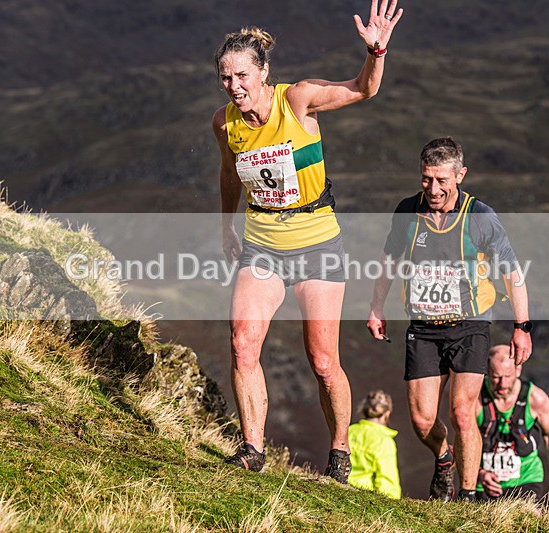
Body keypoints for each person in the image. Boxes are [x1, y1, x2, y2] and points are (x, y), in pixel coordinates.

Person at [212, 0, 404, 483]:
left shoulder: (297, 100)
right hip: (262, 246)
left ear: (263, 73)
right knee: (242, 344)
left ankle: (339, 451)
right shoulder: (224, 123)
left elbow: (364, 89)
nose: (234, 86)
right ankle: (253, 448)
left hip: (317, 246)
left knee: (322, 361)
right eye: (226, 78)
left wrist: (376, 52)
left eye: (242, 75)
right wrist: (227, 226)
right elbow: (230, 175)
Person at [366, 137, 533, 501]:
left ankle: (467, 497)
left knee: (462, 413)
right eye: (426, 179)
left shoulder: (480, 217)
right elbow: (389, 259)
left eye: (442, 180)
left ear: (460, 175)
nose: (433, 189)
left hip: (470, 325)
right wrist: (377, 307)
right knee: (422, 420)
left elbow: (512, 272)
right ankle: (444, 460)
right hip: (424, 328)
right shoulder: (408, 211)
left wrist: (521, 327)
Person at [477, 345, 549, 512]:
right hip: (483, 482)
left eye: (507, 376)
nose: (502, 384)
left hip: (526, 479)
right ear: (487, 373)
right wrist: (479, 473)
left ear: (518, 370)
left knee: (525, 521)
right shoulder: (474, 398)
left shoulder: (536, 399)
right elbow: (460, 439)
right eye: (496, 377)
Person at [348, 390, 402, 499]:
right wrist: (392, 503)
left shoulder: (349, 431)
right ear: (387, 413)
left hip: (341, 488)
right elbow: (387, 480)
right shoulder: (384, 441)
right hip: (364, 497)